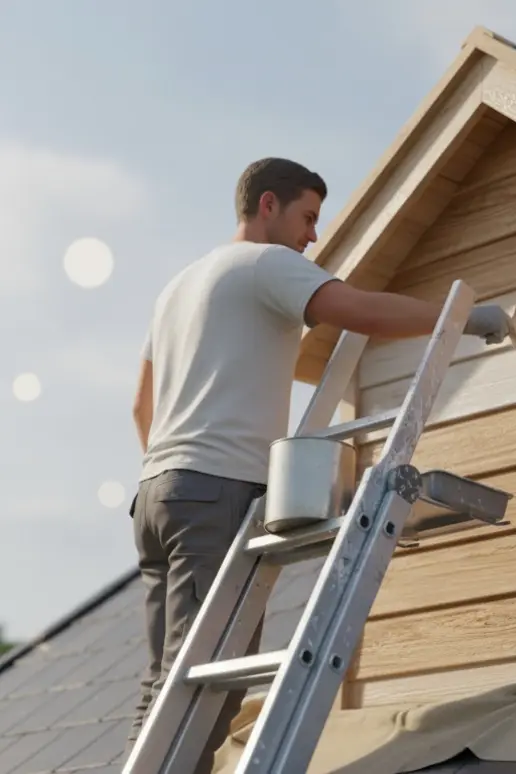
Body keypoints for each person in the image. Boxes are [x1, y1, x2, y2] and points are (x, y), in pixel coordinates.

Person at [124, 157, 452, 773]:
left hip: (156, 496)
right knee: (205, 691)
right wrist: (460, 318)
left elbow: (141, 404)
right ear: (268, 205)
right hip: (213, 492)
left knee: (164, 685)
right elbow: (363, 312)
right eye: (307, 216)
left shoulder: (178, 287)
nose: (313, 235)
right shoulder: (267, 264)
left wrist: (175, 469)